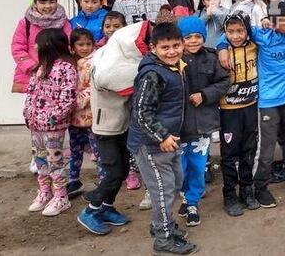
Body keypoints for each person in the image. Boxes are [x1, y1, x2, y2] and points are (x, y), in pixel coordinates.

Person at [218, 1, 285, 208]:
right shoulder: (261, 35)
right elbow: (234, 31)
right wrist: (221, 48)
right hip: (267, 101)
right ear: (272, 23)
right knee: (266, 147)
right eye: (283, 22)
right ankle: (260, 187)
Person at [128, 22, 198, 255]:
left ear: (183, 45)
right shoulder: (152, 75)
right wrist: (162, 136)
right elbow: (140, 112)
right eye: (165, 47)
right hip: (151, 145)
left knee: (176, 183)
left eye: (176, 45)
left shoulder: (177, 68)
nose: (171, 51)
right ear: (153, 48)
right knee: (163, 190)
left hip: (171, 141)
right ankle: (163, 239)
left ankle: (162, 224)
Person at [77, 16, 147, 236]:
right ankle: (91, 209)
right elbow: (120, 79)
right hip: (105, 126)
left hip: (121, 122)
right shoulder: (110, 65)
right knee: (114, 172)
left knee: (123, 168)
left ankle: (107, 207)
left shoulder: (118, 53)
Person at [177, 17, 229, 227]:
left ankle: (192, 202)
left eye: (198, 36)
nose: (193, 41)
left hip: (202, 125)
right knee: (180, 167)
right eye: (187, 37)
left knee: (198, 166)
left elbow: (224, 81)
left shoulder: (211, 58)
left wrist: (205, 95)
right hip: (178, 126)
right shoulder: (173, 59)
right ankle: (184, 195)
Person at [23, 28, 78, 216]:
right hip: (35, 125)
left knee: (55, 159)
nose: (35, 46)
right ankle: (45, 192)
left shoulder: (66, 68)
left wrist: (53, 117)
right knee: (39, 158)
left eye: (38, 42)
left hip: (54, 126)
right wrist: (28, 113)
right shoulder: (40, 67)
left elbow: (68, 97)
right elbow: (31, 93)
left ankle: (61, 196)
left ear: (49, 44)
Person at [218, 13, 260, 216]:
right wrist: (221, 46)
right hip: (228, 111)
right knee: (228, 154)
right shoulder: (220, 52)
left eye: (240, 31)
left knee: (249, 150)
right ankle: (229, 194)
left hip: (250, 106)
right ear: (225, 32)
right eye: (230, 31)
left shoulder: (254, 47)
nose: (235, 36)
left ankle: (246, 189)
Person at [11, 0, 72, 94]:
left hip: (56, 74)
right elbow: (17, 48)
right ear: (35, 4)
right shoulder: (26, 23)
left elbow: (69, 46)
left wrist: (59, 67)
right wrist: (33, 67)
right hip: (31, 74)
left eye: (51, 2)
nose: (47, 6)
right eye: (43, 2)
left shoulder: (64, 22)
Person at [67, 28, 103, 198]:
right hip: (73, 116)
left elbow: (92, 86)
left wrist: (78, 100)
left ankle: (103, 181)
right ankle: (73, 179)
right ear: (73, 46)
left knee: (98, 150)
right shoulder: (69, 62)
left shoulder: (94, 62)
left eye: (88, 44)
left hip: (90, 114)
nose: (85, 48)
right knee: (75, 149)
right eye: (80, 44)